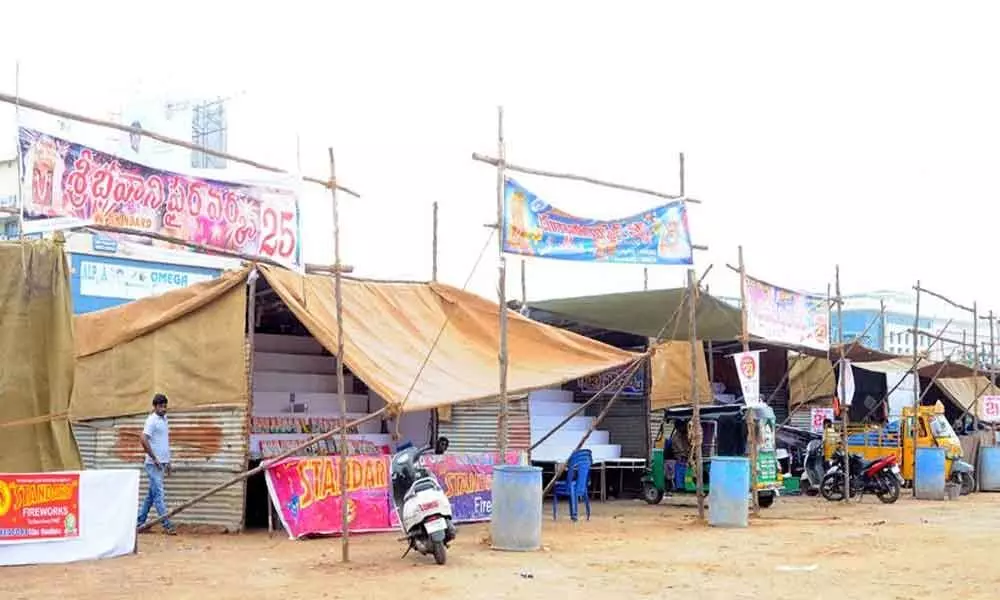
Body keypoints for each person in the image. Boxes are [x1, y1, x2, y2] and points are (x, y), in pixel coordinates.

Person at [137, 393, 176, 535]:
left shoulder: (164, 419)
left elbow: (164, 442)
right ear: (155, 407)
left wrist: (168, 462)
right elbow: (143, 439)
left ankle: (139, 522)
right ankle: (167, 524)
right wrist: (154, 458)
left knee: (151, 495)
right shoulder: (151, 420)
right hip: (153, 465)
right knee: (159, 494)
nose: (164, 409)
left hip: (162, 464)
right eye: (161, 406)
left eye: (165, 406)